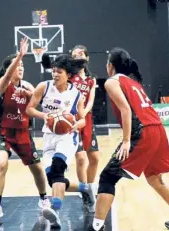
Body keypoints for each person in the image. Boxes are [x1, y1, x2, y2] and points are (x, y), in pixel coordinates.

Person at [89, 48, 169, 231]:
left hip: (142, 131)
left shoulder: (112, 82)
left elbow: (126, 110)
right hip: (158, 130)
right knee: (155, 179)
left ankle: (96, 227)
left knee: (107, 177)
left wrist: (126, 140)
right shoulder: (133, 82)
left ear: (110, 66)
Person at [26, 54, 95, 229]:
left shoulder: (76, 94)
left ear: (68, 75)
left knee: (58, 168)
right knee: (53, 179)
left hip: (67, 137)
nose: (55, 74)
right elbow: (29, 109)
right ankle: (84, 188)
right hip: (48, 137)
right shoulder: (44, 87)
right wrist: (45, 116)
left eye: (59, 72)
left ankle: (55, 209)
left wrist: (77, 124)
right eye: (53, 71)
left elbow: (82, 120)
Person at [0, 37, 50, 222]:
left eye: (22, 65)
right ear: (9, 69)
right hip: (1, 132)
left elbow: (42, 103)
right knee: (1, 163)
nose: (21, 67)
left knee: (37, 168)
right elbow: (6, 78)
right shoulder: (3, 85)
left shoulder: (28, 86)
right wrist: (20, 54)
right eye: (17, 65)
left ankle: (44, 199)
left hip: (22, 131)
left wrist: (30, 94)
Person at [70, 45, 100, 211]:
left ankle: (89, 186)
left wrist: (84, 113)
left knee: (94, 157)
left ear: (87, 58)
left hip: (86, 118)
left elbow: (91, 101)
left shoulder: (91, 79)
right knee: (81, 158)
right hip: (73, 120)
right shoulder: (68, 77)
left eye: (81, 54)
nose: (78, 57)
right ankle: (86, 195)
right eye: (74, 55)